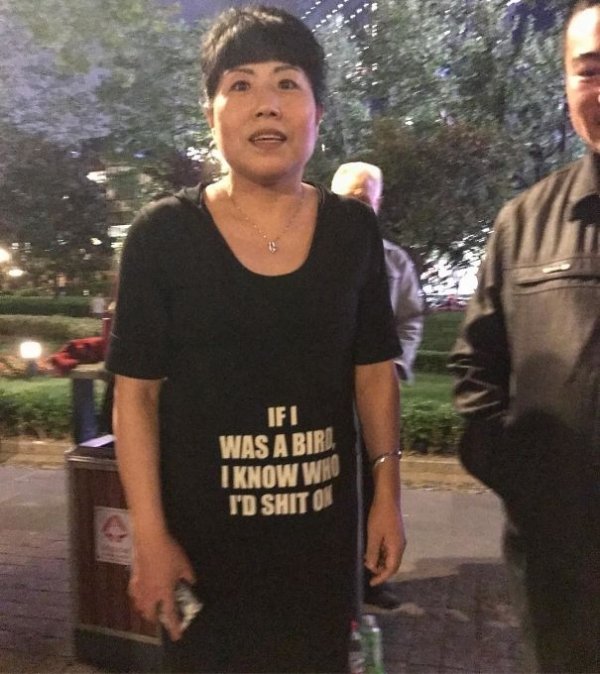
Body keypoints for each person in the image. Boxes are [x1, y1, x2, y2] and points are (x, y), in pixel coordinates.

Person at [106, 6, 406, 673]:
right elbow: (136, 396)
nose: (265, 104)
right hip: (201, 553)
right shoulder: (163, 236)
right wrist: (149, 535)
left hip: (321, 551)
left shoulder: (353, 232)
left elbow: (373, 371)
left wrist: (387, 494)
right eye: (240, 84)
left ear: (317, 112)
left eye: (286, 83)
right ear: (211, 113)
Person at [449, 2, 600, 671]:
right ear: (567, 84)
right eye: (589, 70)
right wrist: (527, 487)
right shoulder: (524, 223)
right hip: (559, 563)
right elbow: (475, 372)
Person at [331, 161, 423, 611]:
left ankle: (371, 577)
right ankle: (333, 574)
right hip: (326, 395)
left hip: (373, 394)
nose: (359, 207)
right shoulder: (308, 252)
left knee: (375, 484)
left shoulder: (395, 261)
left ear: (378, 202)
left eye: (366, 199)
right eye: (351, 198)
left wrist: (396, 366)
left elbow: (410, 319)